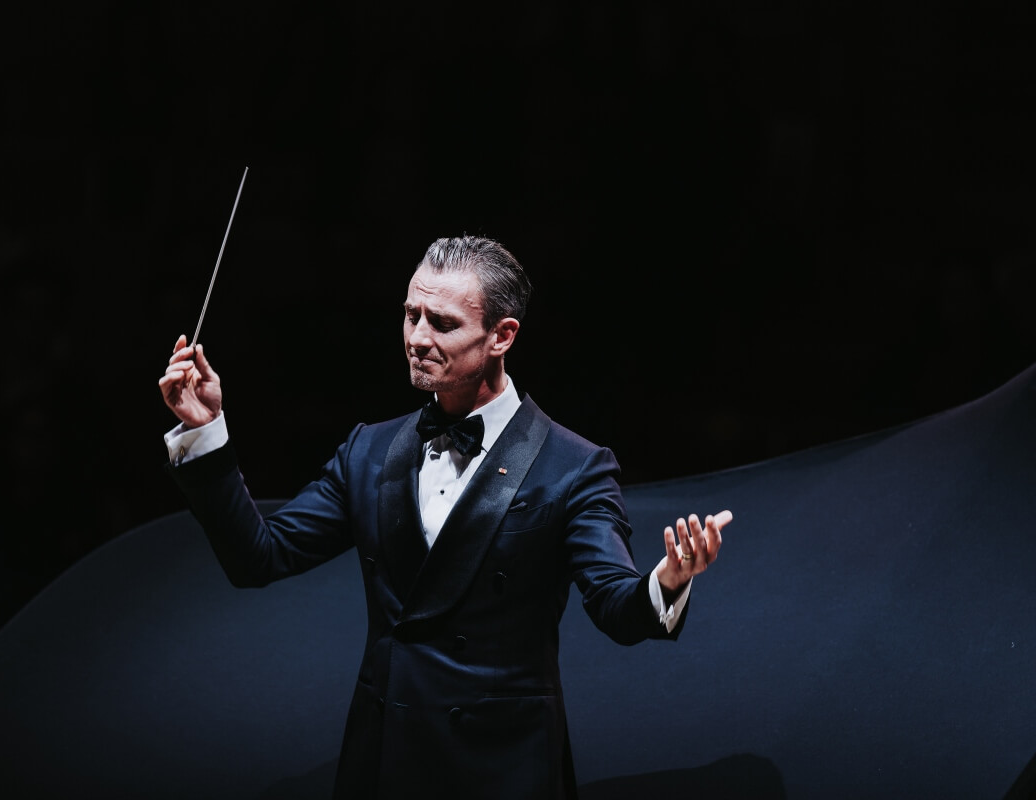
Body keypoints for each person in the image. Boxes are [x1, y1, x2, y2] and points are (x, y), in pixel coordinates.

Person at [159, 235, 731, 800]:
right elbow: (260, 556)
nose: (418, 339)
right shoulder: (369, 451)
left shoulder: (574, 467)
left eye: (444, 323)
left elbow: (614, 605)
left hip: (500, 767)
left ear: (502, 336)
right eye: (411, 316)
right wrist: (207, 434)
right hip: (382, 760)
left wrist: (664, 582)